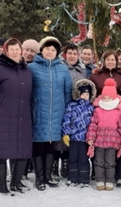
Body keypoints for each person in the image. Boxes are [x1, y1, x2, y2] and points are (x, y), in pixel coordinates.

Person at [0, 38, 33, 194]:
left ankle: (16, 182)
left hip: (22, 116)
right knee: (1, 152)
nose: (15, 52)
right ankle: (1, 186)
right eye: (12, 49)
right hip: (1, 117)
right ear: (6, 52)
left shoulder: (26, 71)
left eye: (18, 49)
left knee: (22, 151)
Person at [29, 36, 72, 190]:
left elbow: (67, 93)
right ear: (41, 50)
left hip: (56, 114)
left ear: (57, 53)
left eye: (53, 49)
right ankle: (39, 178)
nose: (50, 51)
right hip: (38, 112)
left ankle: (47, 176)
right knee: (38, 144)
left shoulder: (62, 69)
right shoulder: (32, 67)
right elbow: (28, 91)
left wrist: (66, 113)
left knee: (51, 145)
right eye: (47, 48)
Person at [86, 78, 121, 191]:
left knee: (110, 162)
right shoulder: (98, 110)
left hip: (113, 143)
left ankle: (109, 181)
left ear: (113, 98)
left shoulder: (118, 111)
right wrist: (90, 138)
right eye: (104, 98)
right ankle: (100, 180)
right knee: (99, 162)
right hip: (99, 142)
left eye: (109, 98)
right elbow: (93, 125)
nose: (107, 100)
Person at [56, 43, 86, 178]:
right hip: (61, 105)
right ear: (65, 54)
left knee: (71, 136)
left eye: (75, 53)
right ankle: (55, 163)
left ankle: (67, 163)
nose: (72, 56)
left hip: (76, 108)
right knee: (59, 137)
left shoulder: (82, 70)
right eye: (70, 53)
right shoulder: (60, 67)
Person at [61, 79, 97, 187]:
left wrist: (92, 135)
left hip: (85, 138)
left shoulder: (91, 108)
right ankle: (72, 178)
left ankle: (84, 179)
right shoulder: (72, 106)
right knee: (72, 158)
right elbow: (66, 119)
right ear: (78, 94)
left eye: (87, 94)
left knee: (83, 159)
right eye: (83, 94)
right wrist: (66, 133)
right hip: (73, 137)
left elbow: (94, 122)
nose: (85, 96)